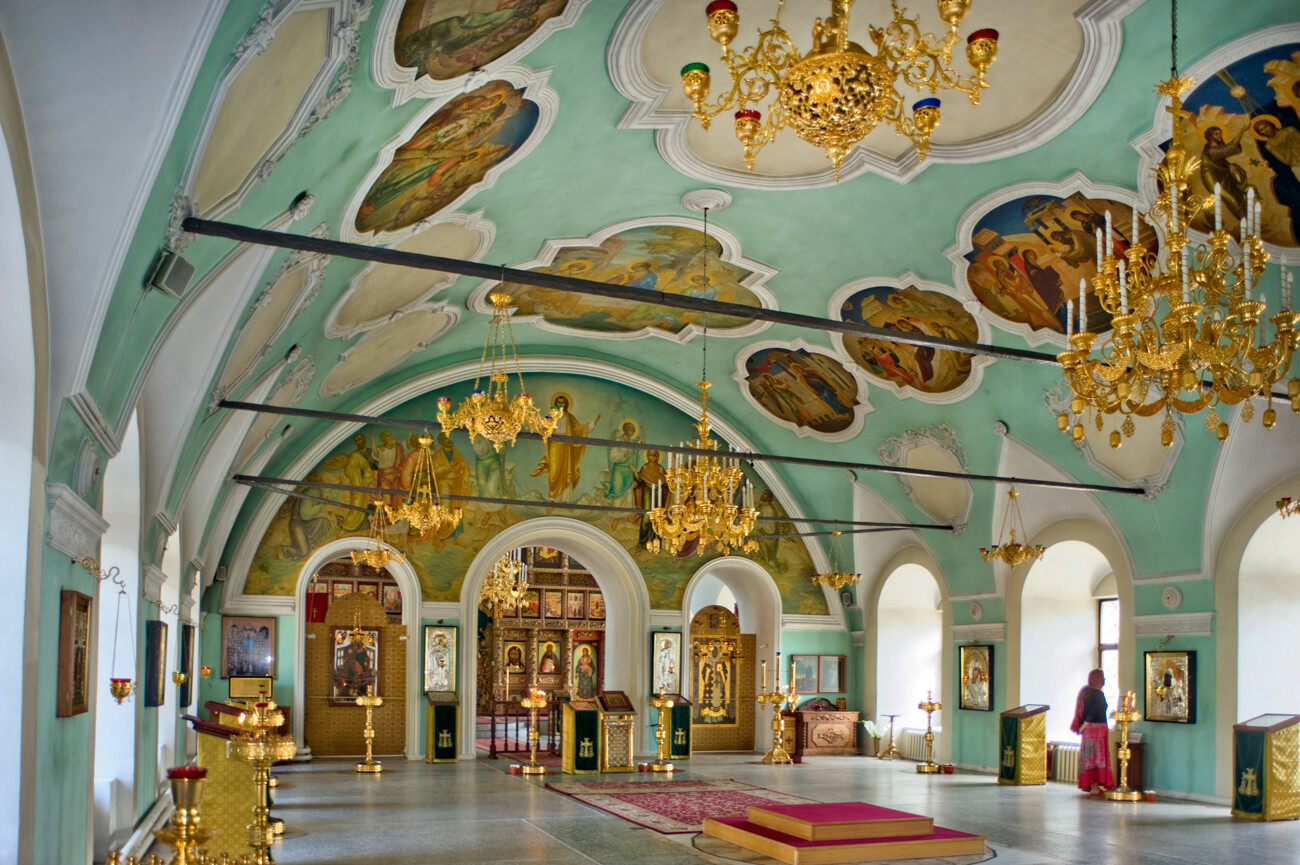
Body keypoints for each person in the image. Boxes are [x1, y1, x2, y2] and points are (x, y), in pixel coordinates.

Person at [1070, 669, 1115, 794]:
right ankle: (1095, 787)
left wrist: (1082, 727)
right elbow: (1093, 712)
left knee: (1089, 757)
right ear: (1097, 679)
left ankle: (1092, 785)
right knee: (1098, 757)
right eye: (1102, 677)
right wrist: (1084, 725)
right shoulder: (1098, 694)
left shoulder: (1085, 692)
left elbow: (1082, 711)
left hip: (1088, 730)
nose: (1104, 679)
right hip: (1097, 730)